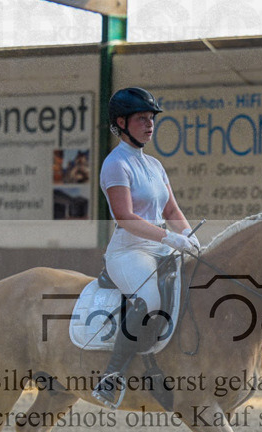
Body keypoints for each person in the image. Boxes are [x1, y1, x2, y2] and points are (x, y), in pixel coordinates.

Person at [92, 87, 200, 408]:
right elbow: (124, 216)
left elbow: (171, 210)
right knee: (150, 299)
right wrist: (169, 238)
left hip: (160, 248)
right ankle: (112, 376)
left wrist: (189, 235)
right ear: (121, 123)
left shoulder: (154, 165)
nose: (150, 124)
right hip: (129, 251)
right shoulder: (115, 164)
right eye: (142, 118)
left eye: (151, 118)